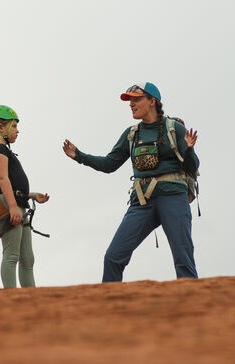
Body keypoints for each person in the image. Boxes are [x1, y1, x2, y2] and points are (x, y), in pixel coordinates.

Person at [62, 82, 199, 282]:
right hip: (142, 202)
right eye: (130, 100)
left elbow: (192, 167)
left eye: (136, 99)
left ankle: (193, 301)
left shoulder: (174, 128)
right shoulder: (131, 134)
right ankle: (110, 301)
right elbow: (110, 164)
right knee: (113, 257)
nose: (131, 104)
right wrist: (79, 156)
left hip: (173, 197)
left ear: (152, 101)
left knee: (183, 259)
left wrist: (189, 149)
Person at [0, 105, 50, 288]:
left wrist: (32, 195)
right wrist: (13, 207)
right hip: (10, 204)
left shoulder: (5, 150)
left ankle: (30, 297)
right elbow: (3, 179)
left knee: (27, 258)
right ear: (0, 127)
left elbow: (12, 183)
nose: (17, 130)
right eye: (13, 126)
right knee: (12, 255)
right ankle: (10, 297)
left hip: (19, 203)